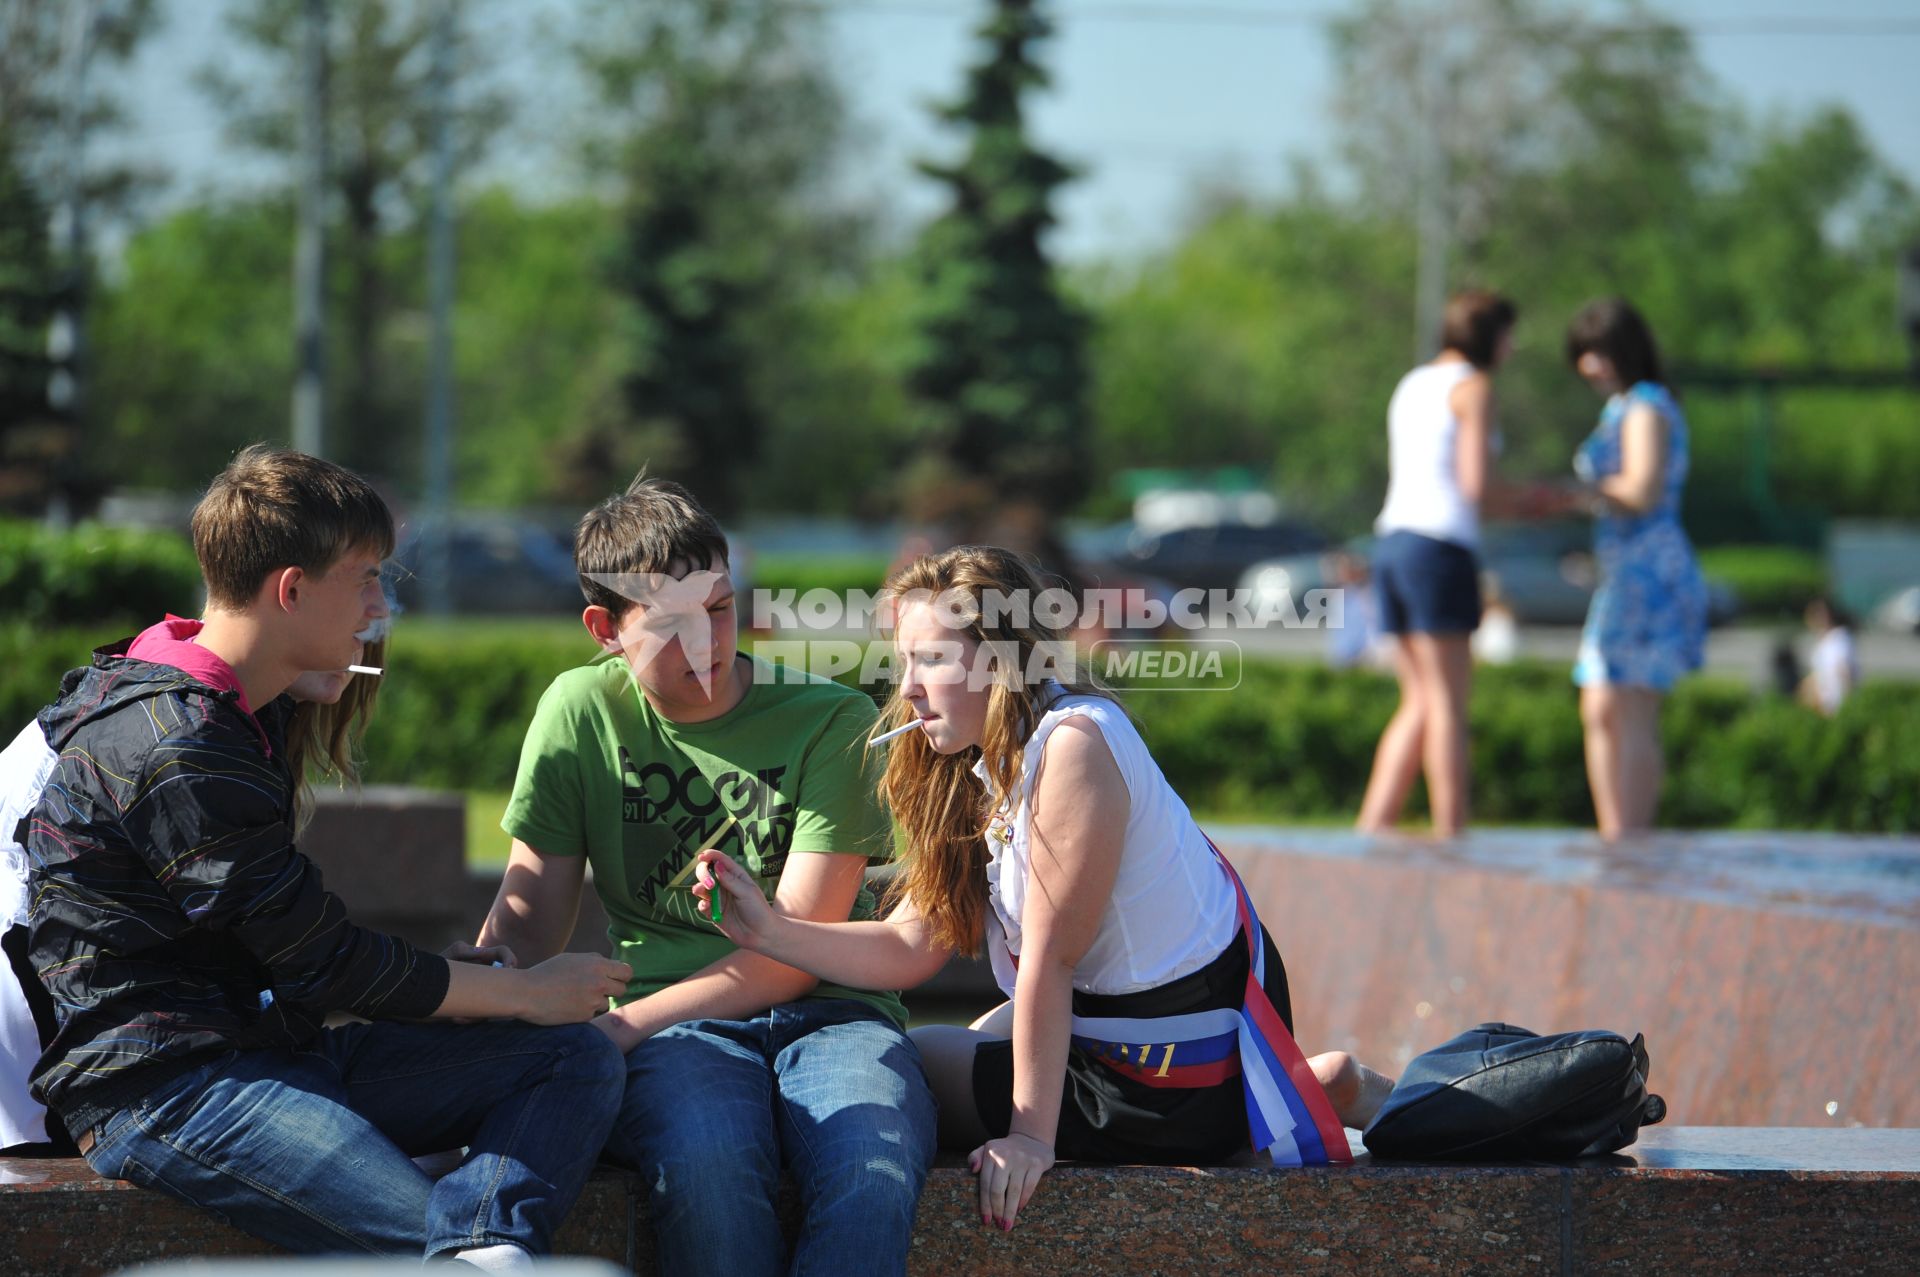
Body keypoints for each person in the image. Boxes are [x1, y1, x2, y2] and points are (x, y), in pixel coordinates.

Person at [24, 446, 632, 1269]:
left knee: (575, 1053)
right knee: (428, 1241)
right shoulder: (180, 745)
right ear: (291, 588)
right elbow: (325, 963)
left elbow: (293, 954)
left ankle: (488, 1248)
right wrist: (519, 989)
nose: (381, 607)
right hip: (175, 1092)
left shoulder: (230, 707)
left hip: (273, 1052)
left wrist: (486, 995)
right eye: (368, 577)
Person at [691, 545, 1394, 1233]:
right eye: (903, 660)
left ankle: (1243, 1115)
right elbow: (911, 943)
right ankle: (1282, 1098)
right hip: (1177, 1031)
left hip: (1171, 1074)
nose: (906, 686)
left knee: (920, 1060)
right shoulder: (991, 752)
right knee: (965, 1039)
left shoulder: (1072, 747)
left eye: (932, 659)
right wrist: (769, 929)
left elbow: (1052, 961)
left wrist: (1030, 1137)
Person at [473, 475, 937, 1277]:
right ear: (605, 628)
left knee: (874, 1167)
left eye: (720, 609)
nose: (708, 644)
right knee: (708, 1170)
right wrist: (468, 997)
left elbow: (795, 949)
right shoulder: (578, 710)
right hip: (677, 1031)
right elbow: (526, 921)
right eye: (673, 624)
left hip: (834, 1010)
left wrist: (620, 1027)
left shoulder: (831, 718)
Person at [2, 630, 389, 1159]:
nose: (358, 645)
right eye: (355, 620)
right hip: (47, 1015)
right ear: (290, 597)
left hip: (99, 1021)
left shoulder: (212, 696)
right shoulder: (183, 721)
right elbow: (292, 944)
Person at [1358, 289, 1519, 836]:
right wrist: (1541, 500)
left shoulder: (1413, 383)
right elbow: (1476, 486)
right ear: (1492, 337)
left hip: (1393, 543)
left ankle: (1372, 825)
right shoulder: (1474, 388)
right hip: (1440, 547)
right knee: (1450, 701)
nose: (1513, 348)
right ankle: (1453, 837)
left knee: (1419, 700)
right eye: (1509, 336)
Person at [1564, 298, 1707, 839]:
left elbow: (1641, 490)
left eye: (1595, 353)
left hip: (1651, 572)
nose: (1587, 367)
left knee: (1631, 708)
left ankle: (1630, 839)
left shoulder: (1647, 405)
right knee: (1600, 705)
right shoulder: (1622, 408)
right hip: (1623, 574)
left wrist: (1572, 497)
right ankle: (1616, 834)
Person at [1800, 596, 1857, 716]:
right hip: (1824, 704)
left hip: (1836, 705)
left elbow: (1844, 671)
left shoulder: (1839, 639)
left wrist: (1847, 702)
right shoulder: (1823, 642)